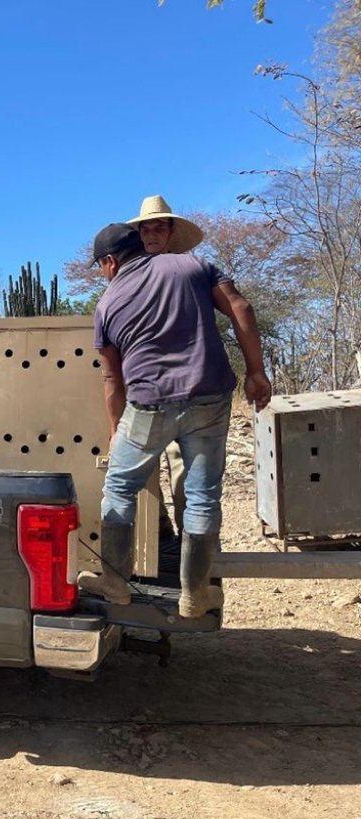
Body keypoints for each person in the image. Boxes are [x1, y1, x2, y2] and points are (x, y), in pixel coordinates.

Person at [77, 223, 272, 618]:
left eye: (100, 265)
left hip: (149, 405)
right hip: (210, 396)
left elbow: (113, 378)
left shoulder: (107, 303)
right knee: (202, 497)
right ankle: (195, 594)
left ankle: (115, 584)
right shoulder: (191, 266)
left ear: (111, 261)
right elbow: (241, 308)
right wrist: (256, 372)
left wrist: (117, 430)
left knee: (119, 487)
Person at [128, 195, 207, 537]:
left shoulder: (191, 271)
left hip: (187, 386)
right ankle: (159, 536)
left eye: (159, 226)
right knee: (142, 467)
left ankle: (191, 543)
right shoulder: (131, 277)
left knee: (184, 469)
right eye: (146, 228)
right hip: (146, 387)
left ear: (171, 231)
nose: (152, 234)